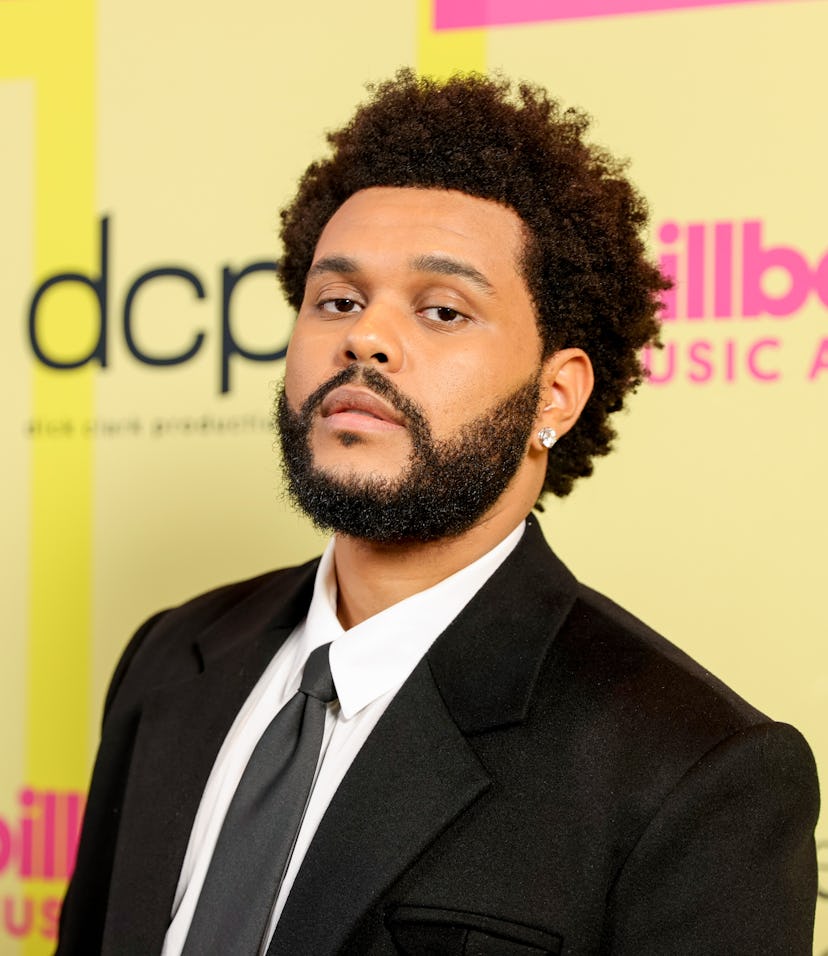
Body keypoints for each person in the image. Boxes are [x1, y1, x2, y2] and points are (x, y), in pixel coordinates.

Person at [56, 71, 819, 955]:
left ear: (557, 395)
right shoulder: (170, 659)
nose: (364, 337)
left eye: (443, 309)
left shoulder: (695, 773)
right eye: (337, 300)